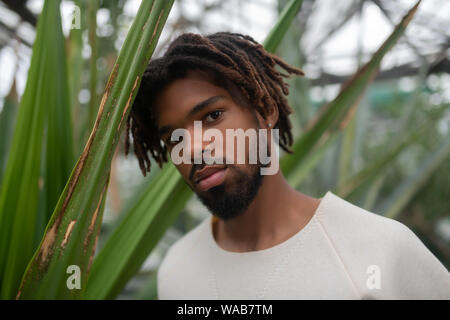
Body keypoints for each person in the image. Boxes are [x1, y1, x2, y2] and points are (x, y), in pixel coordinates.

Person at [125, 32, 450, 299]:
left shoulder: (379, 252)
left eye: (212, 117)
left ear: (265, 110)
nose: (191, 149)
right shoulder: (176, 269)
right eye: (173, 138)